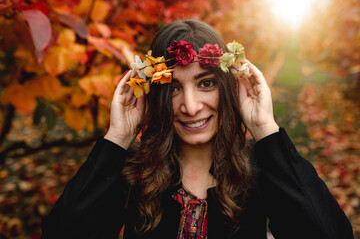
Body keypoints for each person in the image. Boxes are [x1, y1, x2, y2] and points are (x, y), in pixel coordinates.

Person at [41, 19, 354, 239]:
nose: (190, 106)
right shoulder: (133, 169)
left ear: (227, 86)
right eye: (174, 88)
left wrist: (265, 129)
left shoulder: (257, 168)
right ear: (157, 93)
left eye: (206, 83)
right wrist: (117, 139)